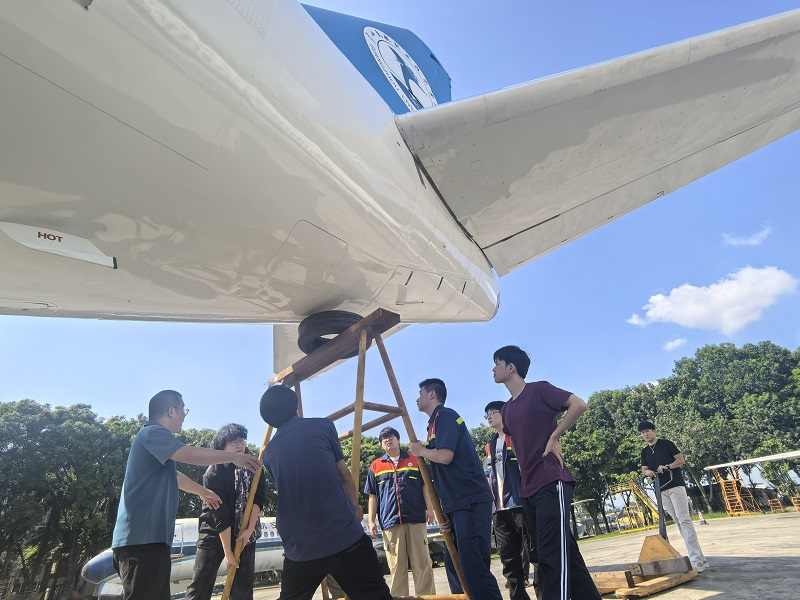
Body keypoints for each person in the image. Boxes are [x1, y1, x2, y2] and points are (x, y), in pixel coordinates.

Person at [111, 390, 261, 600]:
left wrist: (203, 492)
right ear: (171, 411)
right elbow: (188, 454)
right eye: (183, 410)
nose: (184, 416)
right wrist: (233, 457)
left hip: (153, 541)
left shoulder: (158, 448)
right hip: (141, 541)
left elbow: (175, 477)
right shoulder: (151, 433)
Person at [259, 385, 392, 600]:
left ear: (267, 417)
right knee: (375, 595)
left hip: (300, 547)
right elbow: (344, 475)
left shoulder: (268, 453)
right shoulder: (323, 426)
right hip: (343, 536)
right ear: (296, 405)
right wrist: (355, 509)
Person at [492, 346, 601, 600]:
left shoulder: (539, 390)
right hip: (527, 488)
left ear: (511, 367)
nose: (493, 369)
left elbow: (579, 405)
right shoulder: (506, 410)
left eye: (497, 363)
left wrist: (554, 437)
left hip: (551, 480)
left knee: (551, 555)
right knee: (563, 553)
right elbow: (517, 440)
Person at [409, 378, 503, 600]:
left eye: (420, 392)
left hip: (469, 500)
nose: (417, 398)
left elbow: (445, 456)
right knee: (454, 565)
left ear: (432, 394)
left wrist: (421, 451)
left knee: (473, 569)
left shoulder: (446, 416)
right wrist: (446, 513)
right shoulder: (433, 424)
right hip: (455, 504)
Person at [185, 424, 267, 600]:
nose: (239, 445)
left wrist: (249, 530)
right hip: (215, 532)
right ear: (221, 447)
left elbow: (258, 499)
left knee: (243, 591)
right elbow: (220, 514)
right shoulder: (214, 472)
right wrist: (228, 553)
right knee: (200, 587)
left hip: (244, 532)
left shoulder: (254, 466)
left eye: (242, 441)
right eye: (233, 442)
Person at [364, 426, 436, 596]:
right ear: (381, 444)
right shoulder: (375, 466)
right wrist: (372, 521)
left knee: (422, 564)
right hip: (390, 522)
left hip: (415, 518)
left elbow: (425, 486)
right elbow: (372, 496)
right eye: (384, 439)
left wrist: (430, 508)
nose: (388, 440)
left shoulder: (415, 460)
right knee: (396, 567)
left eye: (391, 437)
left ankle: (427, 597)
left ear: (398, 439)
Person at [639, 421, 709, 572]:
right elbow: (644, 469)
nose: (645, 434)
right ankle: (700, 558)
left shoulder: (666, 444)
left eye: (647, 431)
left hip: (675, 485)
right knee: (678, 521)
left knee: (684, 520)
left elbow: (680, 460)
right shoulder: (644, 452)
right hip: (660, 488)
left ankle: (696, 560)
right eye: (643, 432)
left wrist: (667, 466)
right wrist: (647, 472)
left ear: (654, 431)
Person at [484, 400, 534, 600]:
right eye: (486, 414)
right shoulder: (490, 445)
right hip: (498, 509)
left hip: (519, 503)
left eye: (492, 412)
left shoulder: (517, 437)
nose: (489, 416)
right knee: (507, 556)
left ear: (505, 413)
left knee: (532, 551)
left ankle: (545, 591)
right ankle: (518, 596)